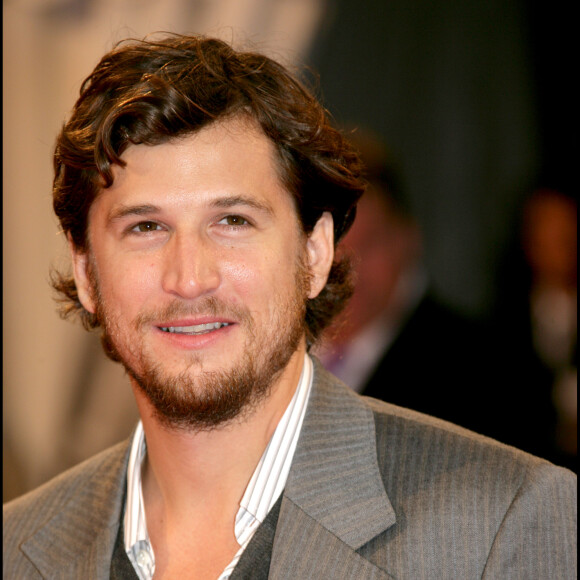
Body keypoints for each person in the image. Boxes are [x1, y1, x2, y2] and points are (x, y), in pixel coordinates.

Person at [3, 33, 576, 579]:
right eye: (146, 227)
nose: (189, 278)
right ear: (86, 272)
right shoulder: (14, 546)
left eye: (232, 221)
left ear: (316, 252)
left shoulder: (503, 524)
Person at [316, 130, 502, 436]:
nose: (346, 268)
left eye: (369, 244)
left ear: (407, 238)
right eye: (333, 245)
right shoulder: (279, 354)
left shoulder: (481, 367)